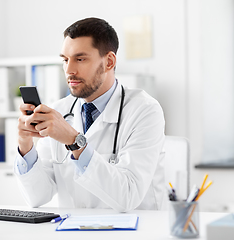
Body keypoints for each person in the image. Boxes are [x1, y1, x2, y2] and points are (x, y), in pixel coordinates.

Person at [14, 17, 165, 212]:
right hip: (74, 230)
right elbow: (38, 196)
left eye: (80, 59)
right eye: (65, 60)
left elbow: (128, 196)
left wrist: (74, 140)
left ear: (109, 62)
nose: (69, 70)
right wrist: (25, 146)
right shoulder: (60, 110)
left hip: (132, 230)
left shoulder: (145, 111)